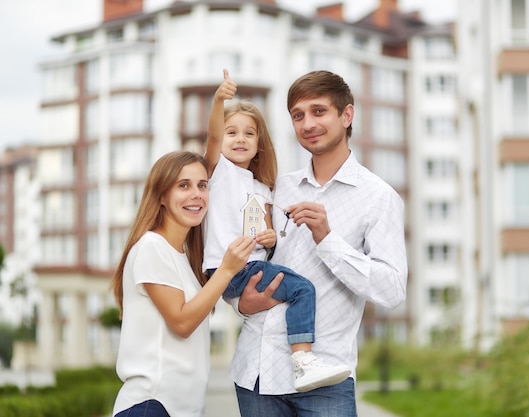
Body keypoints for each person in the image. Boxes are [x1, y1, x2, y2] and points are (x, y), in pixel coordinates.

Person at [230, 70, 408, 416]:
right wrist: (241, 303)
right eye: (298, 115)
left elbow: (393, 290)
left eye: (318, 111)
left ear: (347, 115)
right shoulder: (277, 188)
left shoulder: (378, 198)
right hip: (256, 373)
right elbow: (244, 258)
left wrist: (327, 239)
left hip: (326, 381)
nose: (308, 123)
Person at [202, 69, 351, 392]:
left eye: (248, 134)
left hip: (253, 266)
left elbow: (266, 234)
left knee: (293, 291)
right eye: (232, 132)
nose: (239, 139)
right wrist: (219, 100)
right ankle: (303, 361)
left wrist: (269, 237)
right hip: (231, 268)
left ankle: (296, 359)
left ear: (260, 143)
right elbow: (212, 137)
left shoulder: (264, 188)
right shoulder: (219, 174)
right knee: (303, 290)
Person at [110, 151, 257, 417]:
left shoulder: (187, 260)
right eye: (183, 185)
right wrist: (226, 269)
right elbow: (181, 323)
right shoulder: (152, 247)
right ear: (162, 196)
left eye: (202, 185)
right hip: (151, 405)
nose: (196, 194)